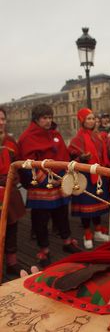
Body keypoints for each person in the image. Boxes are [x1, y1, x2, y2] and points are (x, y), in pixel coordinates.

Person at [18, 104, 81, 267]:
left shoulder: (56, 134)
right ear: (36, 119)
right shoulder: (27, 137)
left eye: (50, 117)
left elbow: (63, 155)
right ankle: (44, 250)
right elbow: (27, 163)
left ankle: (67, 241)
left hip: (59, 182)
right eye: (44, 118)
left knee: (62, 215)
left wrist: (66, 175)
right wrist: (45, 180)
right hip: (40, 186)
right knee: (41, 219)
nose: (48, 121)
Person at [68, 108, 110, 250]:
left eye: (93, 118)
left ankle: (98, 231)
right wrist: (81, 158)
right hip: (85, 176)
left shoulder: (98, 136)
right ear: (82, 120)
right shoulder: (77, 139)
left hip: (98, 173)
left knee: (97, 204)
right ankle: (87, 233)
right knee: (86, 206)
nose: (92, 121)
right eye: (88, 118)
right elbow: (71, 157)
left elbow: (102, 153)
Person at [0, 107, 26, 277]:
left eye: (3, 119)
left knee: (12, 227)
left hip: (10, 191)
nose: (1, 123)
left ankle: (11, 263)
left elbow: (18, 163)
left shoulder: (10, 141)